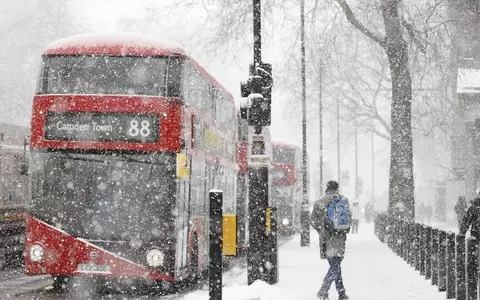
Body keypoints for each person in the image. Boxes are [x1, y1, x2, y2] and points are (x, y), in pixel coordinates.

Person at [310, 180, 350, 300]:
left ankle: (330, 291)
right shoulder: (343, 201)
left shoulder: (319, 203)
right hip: (340, 237)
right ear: (337, 188)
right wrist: (342, 229)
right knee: (336, 265)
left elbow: (313, 220)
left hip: (326, 239)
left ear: (327, 188)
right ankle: (339, 292)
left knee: (334, 265)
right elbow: (349, 219)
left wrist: (322, 230)